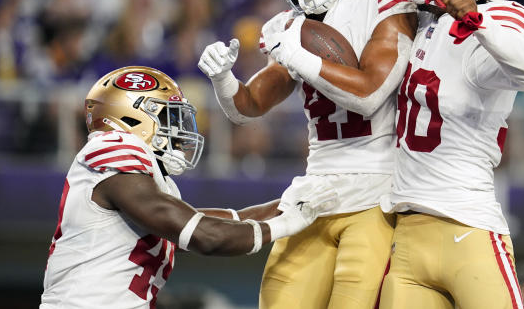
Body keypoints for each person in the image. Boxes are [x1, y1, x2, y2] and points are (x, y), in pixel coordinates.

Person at [199, 0, 418, 309]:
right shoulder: (294, 23)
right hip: (315, 191)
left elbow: (369, 95)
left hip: (377, 189)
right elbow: (247, 106)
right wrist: (223, 78)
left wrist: (297, 51)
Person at [40, 65, 337, 309]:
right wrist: (285, 224)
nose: (179, 130)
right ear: (132, 116)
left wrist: (285, 204)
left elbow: (210, 221)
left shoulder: (152, 186)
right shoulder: (112, 146)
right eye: (168, 116)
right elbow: (205, 236)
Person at [377, 0, 524, 309]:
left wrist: (474, 19)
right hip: (406, 233)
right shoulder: (426, 22)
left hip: (467, 226)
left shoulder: (501, 17)